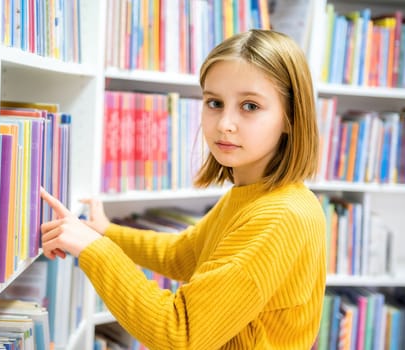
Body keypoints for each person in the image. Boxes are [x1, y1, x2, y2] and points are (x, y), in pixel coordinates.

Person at [40, 29, 326, 349]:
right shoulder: (254, 195)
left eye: (249, 106)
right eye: (214, 103)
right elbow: (182, 255)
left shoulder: (280, 215)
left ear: (290, 116)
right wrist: (106, 231)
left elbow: (181, 334)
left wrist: (94, 249)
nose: (224, 124)